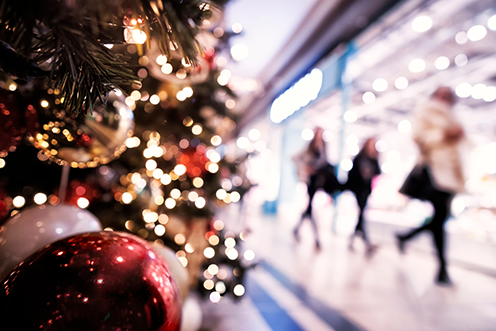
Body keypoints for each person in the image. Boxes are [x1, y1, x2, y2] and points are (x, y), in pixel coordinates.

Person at [396, 86, 465, 285]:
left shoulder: (455, 118)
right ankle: (442, 268)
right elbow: (419, 137)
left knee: (440, 218)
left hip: (451, 174)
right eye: (441, 94)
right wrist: (444, 135)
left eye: (448, 95)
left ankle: (405, 238)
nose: (444, 98)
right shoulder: (426, 112)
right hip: (435, 171)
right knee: (440, 217)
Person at [292, 127, 341, 250]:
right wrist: (305, 168)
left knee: (309, 209)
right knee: (311, 208)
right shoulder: (309, 147)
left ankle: (298, 230)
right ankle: (316, 238)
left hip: (320, 180)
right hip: (312, 181)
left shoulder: (324, 147)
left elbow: (325, 162)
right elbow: (295, 157)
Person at [346, 137, 381, 256]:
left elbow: (378, 172)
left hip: (366, 190)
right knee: (361, 215)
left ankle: (353, 241)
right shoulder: (359, 159)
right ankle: (367, 243)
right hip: (358, 189)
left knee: (361, 215)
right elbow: (352, 175)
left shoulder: (374, 159)